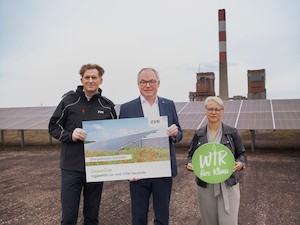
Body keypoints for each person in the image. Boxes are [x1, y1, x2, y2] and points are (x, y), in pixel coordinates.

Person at [48, 63, 117, 225]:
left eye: (94, 77)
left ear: (101, 80)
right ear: (81, 79)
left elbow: (115, 134)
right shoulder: (68, 101)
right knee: (68, 217)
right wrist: (70, 135)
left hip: (97, 168)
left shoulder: (107, 105)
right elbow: (53, 127)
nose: (91, 80)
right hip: (71, 168)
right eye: (87, 77)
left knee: (92, 217)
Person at [119, 67, 182, 225]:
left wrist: (176, 133)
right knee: (139, 217)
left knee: (162, 217)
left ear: (158, 83)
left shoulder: (168, 104)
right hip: (138, 172)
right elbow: (122, 141)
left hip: (162, 170)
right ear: (138, 84)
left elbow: (179, 133)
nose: (148, 85)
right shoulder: (127, 108)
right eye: (143, 82)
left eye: (151, 81)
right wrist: (127, 169)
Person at [186, 96, 246, 225]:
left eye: (217, 109)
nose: (213, 112)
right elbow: (191, 155)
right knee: (209, 221)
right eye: (210, 109)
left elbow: (241, 154)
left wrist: (240, 163)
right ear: (205, 111)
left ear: (222, 111)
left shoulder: (232, 133)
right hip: (206, 185)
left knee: (228, 222)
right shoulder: (199, 134)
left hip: (228, 184)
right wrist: (189, 164)